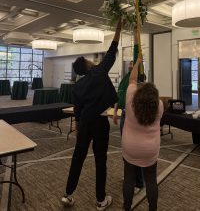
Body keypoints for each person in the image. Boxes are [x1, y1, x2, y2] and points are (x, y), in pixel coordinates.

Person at [61, 20, 122, 210]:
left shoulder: (77, 87)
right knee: (100, 160)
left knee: (77, 157)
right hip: (99, 123)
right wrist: (118, 29)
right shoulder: (99, 72)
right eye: (88, 60)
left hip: (85, 124)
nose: (90, 60)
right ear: (87, 64)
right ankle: (101, 200)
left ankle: (68, 195)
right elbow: (112, 51)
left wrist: (79, 130)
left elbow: (77, 113)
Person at [122, 56, 164, 211]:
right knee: (151, 181)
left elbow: (132, 80)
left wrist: (138, 62)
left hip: (130, 148)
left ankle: (127, 207)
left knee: (129, 180)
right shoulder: (159, 105)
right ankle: (153, 208)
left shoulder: (130, 99)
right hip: (150, 150)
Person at [113, 27, 144, 193]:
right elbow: (119, 94)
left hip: (133, 118)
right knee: (127, 148)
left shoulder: (137, 78)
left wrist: (135, 34)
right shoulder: (126, 79)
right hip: (124, 115)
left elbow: (137, 52)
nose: (131, 65)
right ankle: (131, 177)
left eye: (134, 63)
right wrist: (117, 111)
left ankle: (139, 182)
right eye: (130, 64)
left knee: (135, 149)